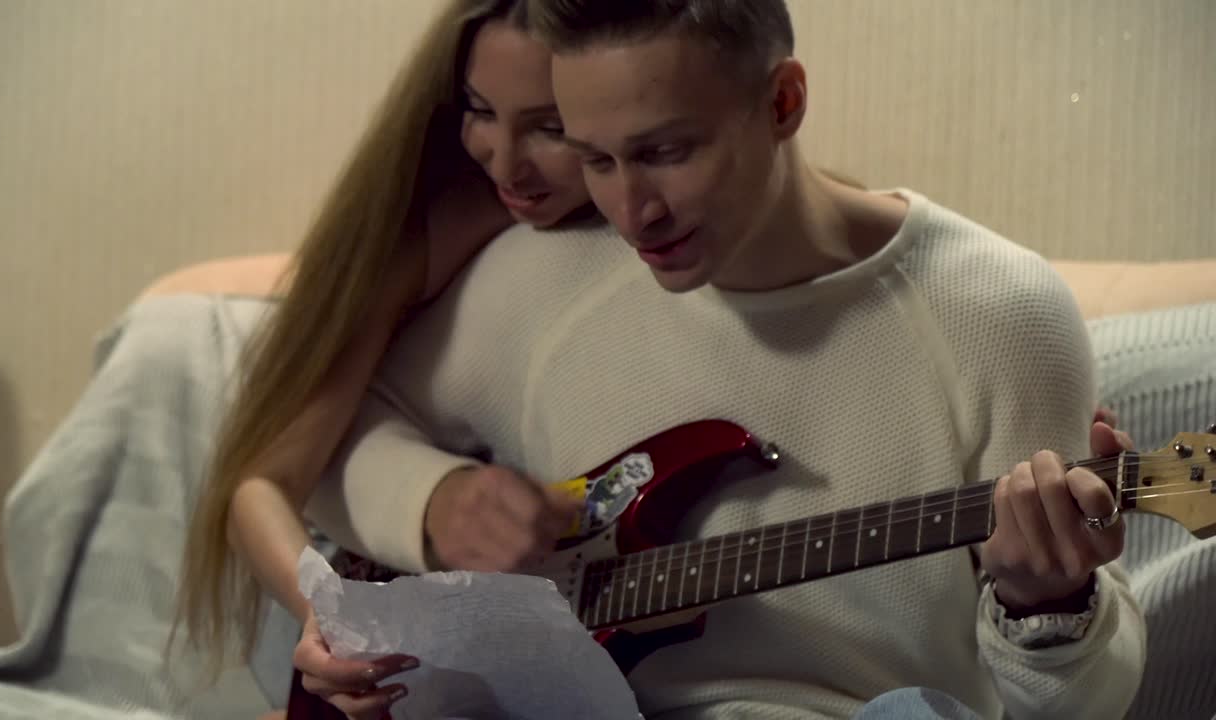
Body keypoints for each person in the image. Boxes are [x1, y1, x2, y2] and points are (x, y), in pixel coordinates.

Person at [297, 1, 1147, 718]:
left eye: (667, 151)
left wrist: (1052, 608)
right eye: (596, 158)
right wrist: (430, 501)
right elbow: (335, 438)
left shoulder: (999, 314)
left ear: (782, 101)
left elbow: (1083, 704)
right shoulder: (547, 274)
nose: (632, 210)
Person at [170, 0, 592, 705]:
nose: (506, 159)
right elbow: (259, 483)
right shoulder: (434, 229)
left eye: (552, 127)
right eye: (480, 110)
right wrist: (329, 618)